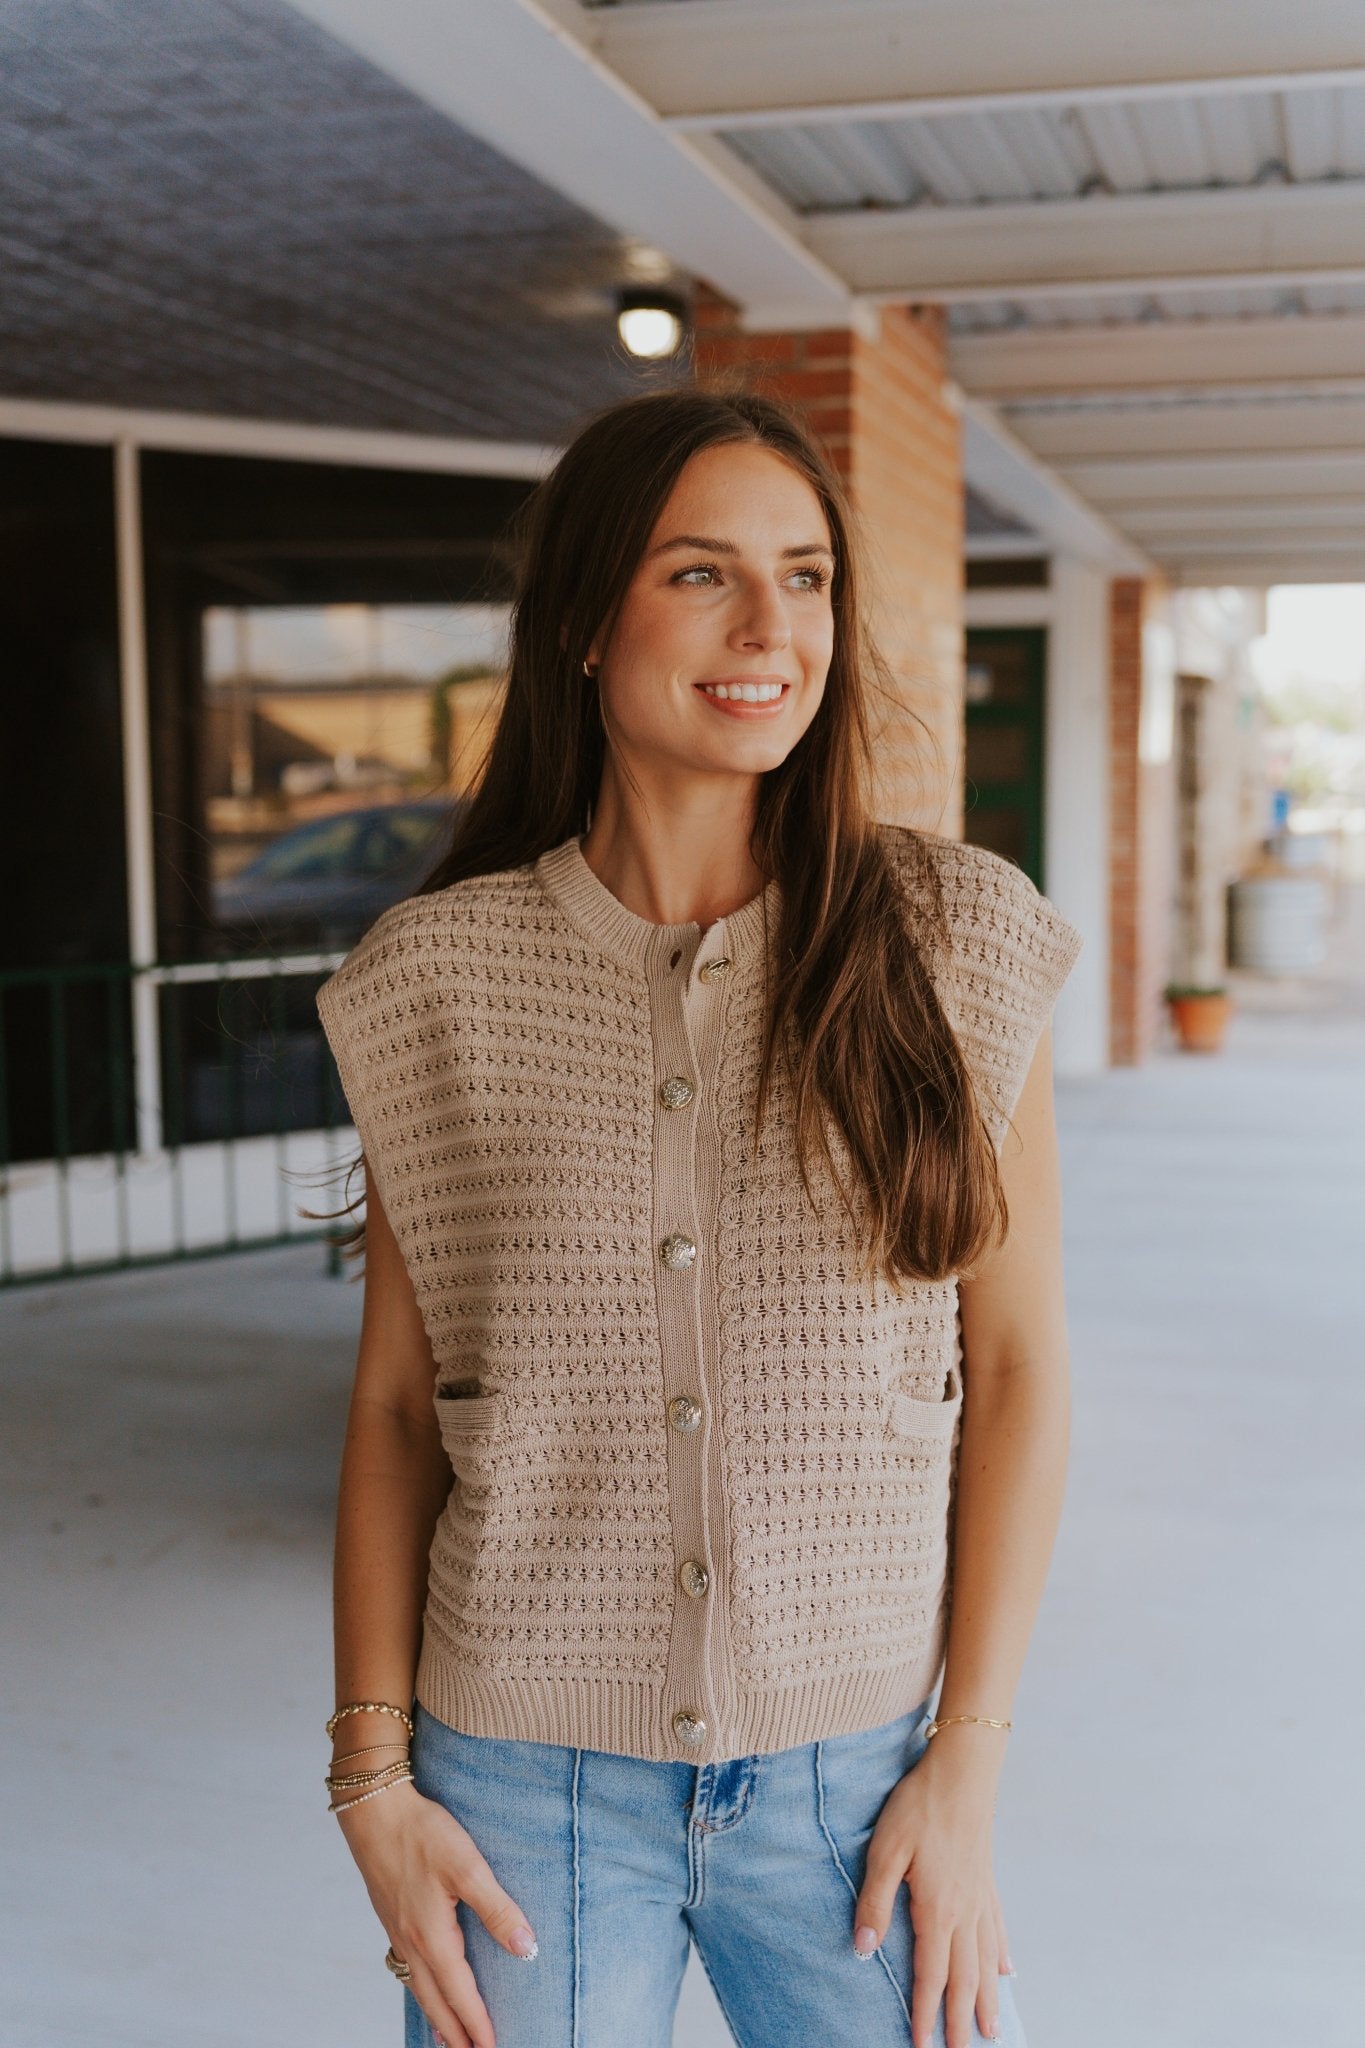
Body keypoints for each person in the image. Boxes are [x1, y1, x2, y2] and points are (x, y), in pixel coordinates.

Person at [314, 387, 1083, 2048]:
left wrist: (968, 1764)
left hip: (857, 1793)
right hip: (519, 1793)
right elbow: (393, 1408)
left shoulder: (957, 942)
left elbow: (1015, 1375)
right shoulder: (435, 983)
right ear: (586, 621)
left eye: (805, 578)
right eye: (701, 575)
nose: (769, 629)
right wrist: (370, 1778)